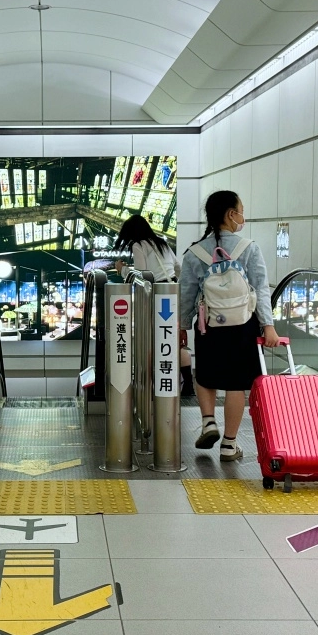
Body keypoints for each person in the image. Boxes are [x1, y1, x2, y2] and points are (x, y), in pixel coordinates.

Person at [179, 191, 279, 461]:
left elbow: (187, 294)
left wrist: (181, 325)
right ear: (230, 214)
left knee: (206, 375)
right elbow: (261, 289)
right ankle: (229, 445)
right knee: (236, 384)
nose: (242, 216)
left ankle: (209, 421)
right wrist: (268, 326)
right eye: (241, 210)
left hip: (208, 323)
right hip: (243, 324)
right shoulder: (249, 248)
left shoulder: (195, 252)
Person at [113, 215, 195, 396]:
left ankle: (150, 385)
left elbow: (143, 276)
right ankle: (188, 385)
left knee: (152, 340)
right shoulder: (162, 243)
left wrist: (122, 269)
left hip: (156, 295)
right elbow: (178, 267)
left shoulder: (138, 245)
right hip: (172, 293)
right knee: (173, 340)